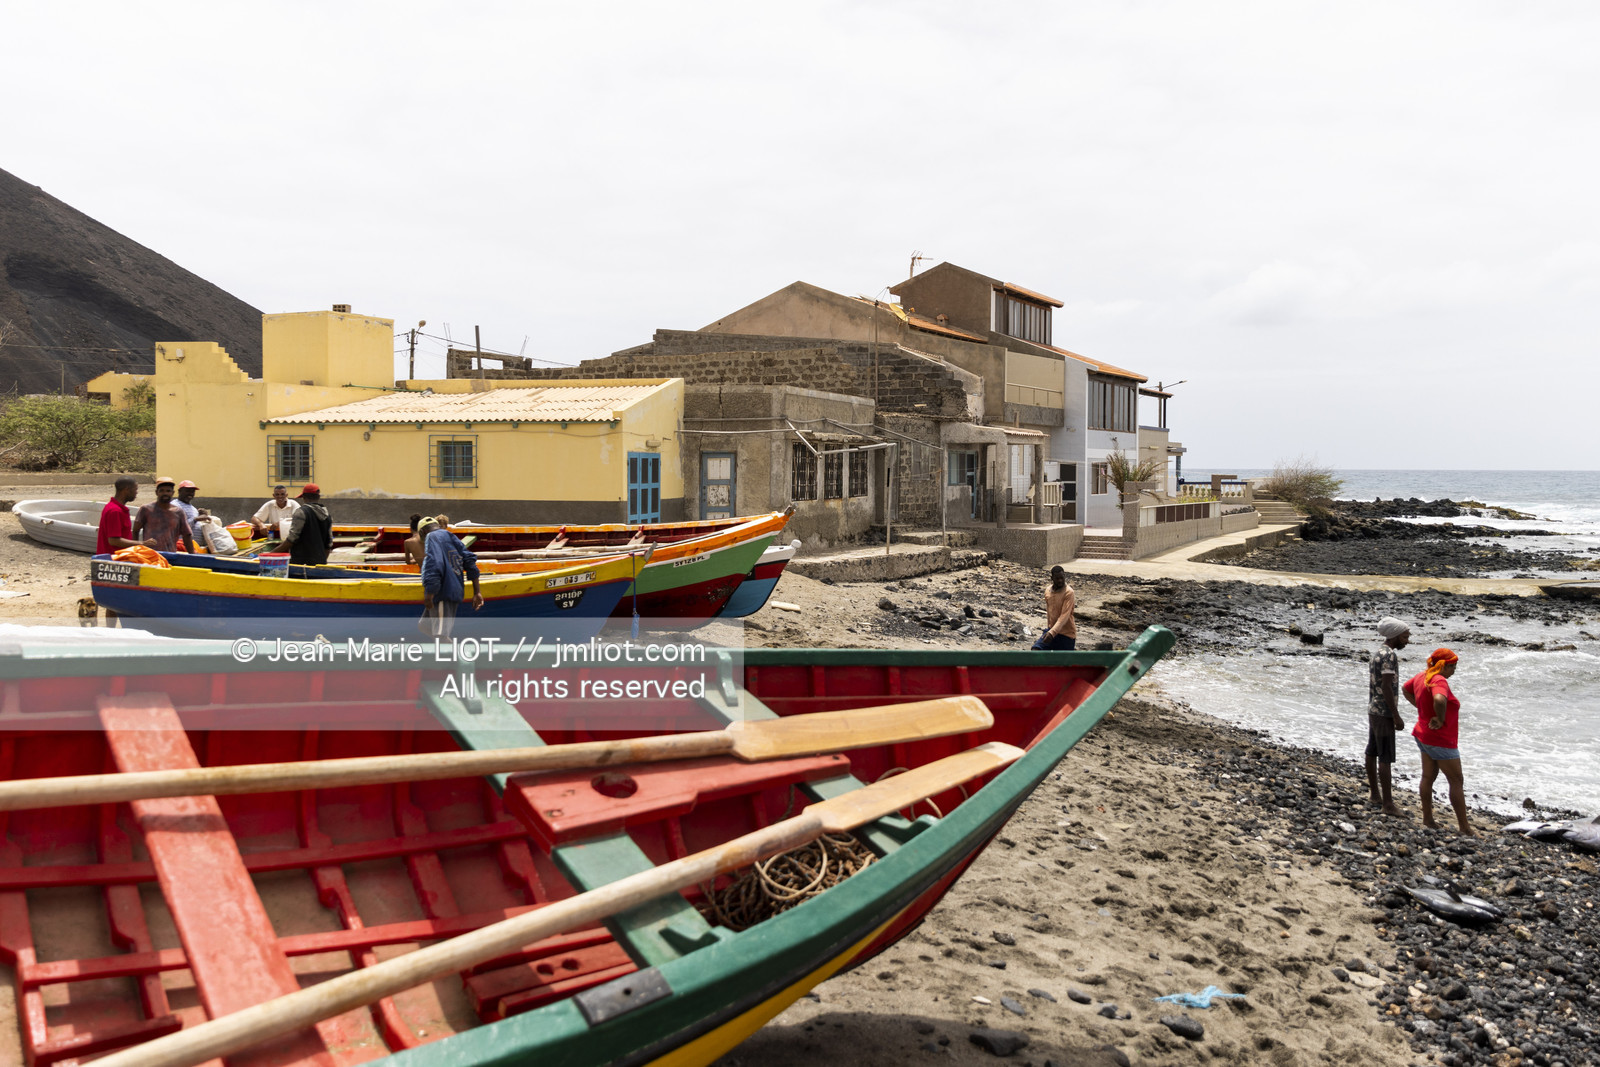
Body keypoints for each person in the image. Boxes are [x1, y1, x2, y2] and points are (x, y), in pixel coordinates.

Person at [1403, 648, 1476, 838]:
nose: (1454, 670)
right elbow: (1439, 699)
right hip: (1441, 739)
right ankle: (1465, 828)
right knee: (1456, 780)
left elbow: (1405, 688)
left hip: (1423, 734)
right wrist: (1440, 718)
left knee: (1428, 777)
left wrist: (1422, 710)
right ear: (1443, 666)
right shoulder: (1438, 680)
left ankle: (1428, 819)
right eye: (1452, 666)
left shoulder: (1422, 676)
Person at [1366, 616, 1411, 816]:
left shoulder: (1377, 653)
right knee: (1385, 756)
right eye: (1404, 636)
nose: (1407, 640)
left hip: (1373, 708)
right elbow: (1386, 685)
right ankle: (1388, 804)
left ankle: (1375, 794)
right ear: (1394, 636)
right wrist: (1396, 715)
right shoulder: (1389, 656)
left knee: (1372, 751)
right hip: (1383, 712)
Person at [421, 514, 483, 638]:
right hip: (454, 590)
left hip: (442, 592)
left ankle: (454, 654)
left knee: (441, 635)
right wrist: (477, 592)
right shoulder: (450, 535)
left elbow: (434, 564)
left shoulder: (431, 536)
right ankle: (441, 653)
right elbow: (469, 560)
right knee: (424, 625)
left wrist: (429, 593)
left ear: (422, 532)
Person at [130, 476, 196, 553]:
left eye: (168, 491)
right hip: (149, 555)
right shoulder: (146, 509)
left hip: (170, 555)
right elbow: (135, 531)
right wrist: (136, 550)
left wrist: (193, 556)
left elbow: (187, 535)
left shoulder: (178, 512)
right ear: (156, 492)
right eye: (162, 491)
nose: (165, 493)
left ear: (173, 493)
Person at [281, 484, 332, 566]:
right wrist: (320, 563)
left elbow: (291, 540)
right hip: (320, 563)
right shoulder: (327, 515)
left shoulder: (300, 512)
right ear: (318, 497)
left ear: (304, 497)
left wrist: (271, 554)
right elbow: (328, 544)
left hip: (300, 563)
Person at [96, 476, 149, 554]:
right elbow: (114, 540)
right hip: (113, 560)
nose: (136, 492)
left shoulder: (116, 508)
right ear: (126, 490)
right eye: (135, 489)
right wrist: (142, 543)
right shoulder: (115, 511)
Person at [1031, 565, 1076, 651]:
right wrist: (1049, 629)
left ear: (1064, 576)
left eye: (1062, 578)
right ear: (1052, 578)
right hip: (1051, 631)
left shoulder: (1069, 592)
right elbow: (1049, 612)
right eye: (1057, 578)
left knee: (1062, 663)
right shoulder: (1048, 591)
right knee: (1036, 650)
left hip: (1066, 635)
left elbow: (1064, 616)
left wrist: (1052, 633)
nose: (1060, 581)